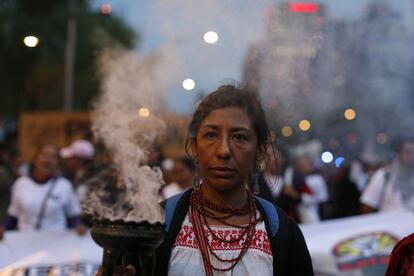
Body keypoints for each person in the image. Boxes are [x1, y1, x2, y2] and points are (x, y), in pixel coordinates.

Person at [156, 85, 313, 275]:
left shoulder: (282, 233)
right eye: (211, 135)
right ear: (194, 147)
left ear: (260, 151)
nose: (223, 151)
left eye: (239, 137)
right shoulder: (160, 223)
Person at [0, 144, 85, 240]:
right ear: (35, 160)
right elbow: (13, 216)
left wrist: (79, 226)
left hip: (57, 244)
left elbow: (73, 216)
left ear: (58, 163)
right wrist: (3, 227)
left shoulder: (64, 185)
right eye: (44, 155)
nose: (48, 160)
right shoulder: (20, 184)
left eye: (53, 157)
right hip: (26, 245)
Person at [360, 138, 414, 213]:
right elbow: (368, 204)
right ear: (399, 153)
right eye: (408, 152)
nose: (412, 156)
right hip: (389, 223)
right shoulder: (384, 175)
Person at [284, 155, 328, 223]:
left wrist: (299, 196)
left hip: (314, 213)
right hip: (296, 214)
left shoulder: (317, 178)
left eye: (304, 164)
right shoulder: (294, 180)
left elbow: (322, 198)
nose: (302, 166)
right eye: (300, 165)